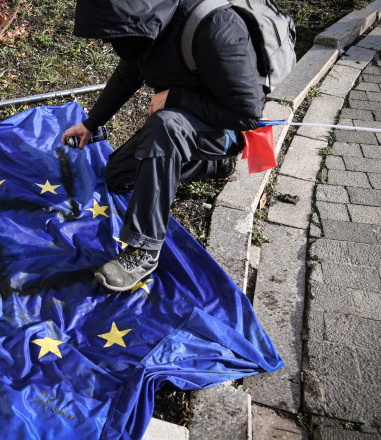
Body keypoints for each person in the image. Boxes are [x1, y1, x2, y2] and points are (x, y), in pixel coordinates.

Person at [62, 0, 264, 292]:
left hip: (225, 127)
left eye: (111, 37)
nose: (109, 43)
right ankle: (212, 164)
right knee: (117, 176)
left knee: (165, 126)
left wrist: (176, 98)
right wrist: (91, 123)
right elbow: (130, 71)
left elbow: (247, 114)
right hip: (184, 118)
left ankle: (144, 250)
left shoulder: (214, 27)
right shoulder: (146, 26)